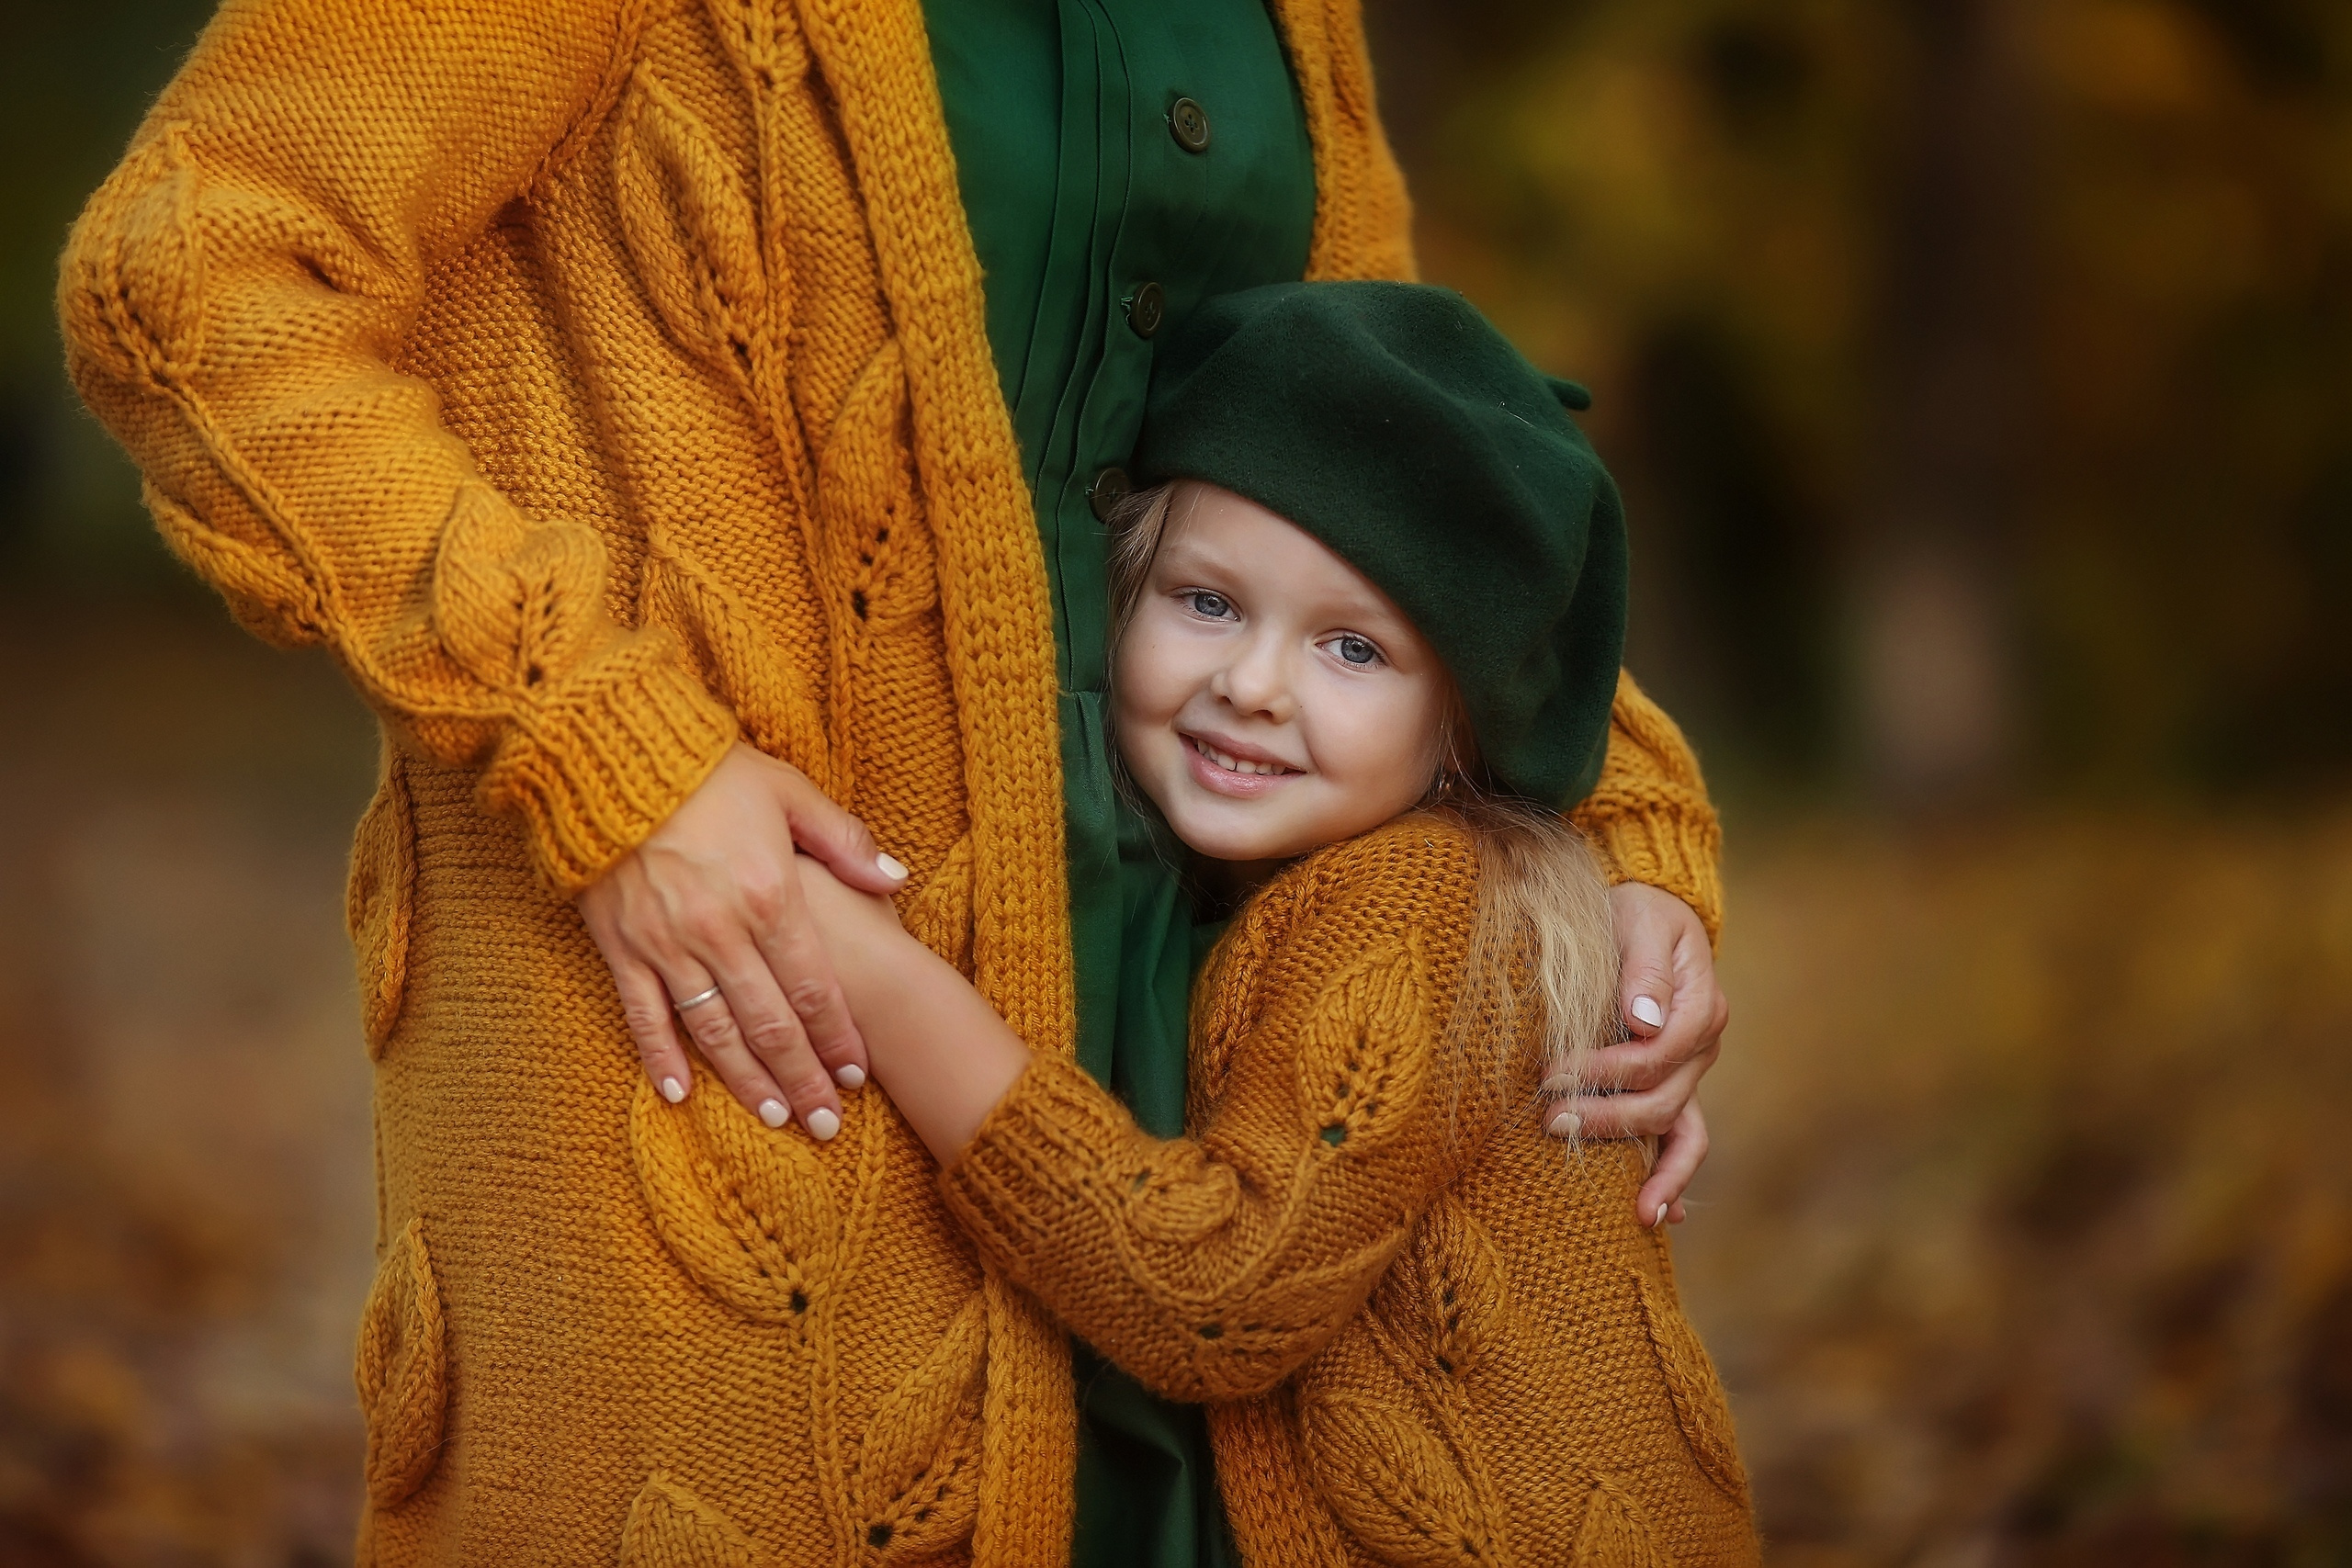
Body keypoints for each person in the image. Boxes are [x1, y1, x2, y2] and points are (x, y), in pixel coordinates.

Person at [58, 0, 1728, 1558]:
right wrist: (604, 745)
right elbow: (187, 280)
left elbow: (1388, 422)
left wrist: (1623, 814)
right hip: (746, 1005)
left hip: (1217, 1049)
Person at [784, 280, 1758, 1564]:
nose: (1251, 685)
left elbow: (1218, 1296)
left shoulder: (1415, 897)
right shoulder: (1308, 879)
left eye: (1352, 650)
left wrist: (878, 975)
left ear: (1462, 730)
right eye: (1208, 603)